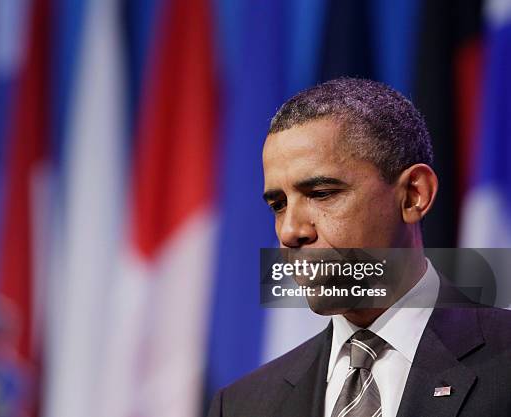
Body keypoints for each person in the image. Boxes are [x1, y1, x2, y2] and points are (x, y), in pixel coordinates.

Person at [207, 78, 511, 417]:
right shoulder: (242, 406)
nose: (290, 231)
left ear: (414, 195)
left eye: (321, 193)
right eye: (278, 204)